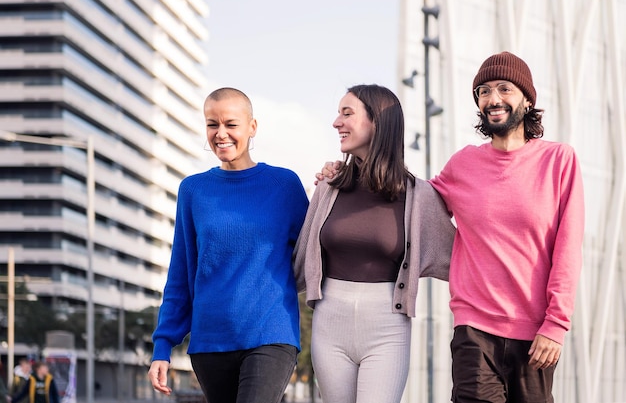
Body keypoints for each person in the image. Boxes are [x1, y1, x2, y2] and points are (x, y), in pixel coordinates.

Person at [317, 52, 585, 403]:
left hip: (535, 332)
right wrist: (347, 171)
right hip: (473, 330)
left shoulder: (559, 160)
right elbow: (408, 195)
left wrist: (556, 323)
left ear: (527, 99)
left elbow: (567, 249)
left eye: (504, 88)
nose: (493, 98)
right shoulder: (464, 164)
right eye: (484, 91)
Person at [294, 84, 455, 403]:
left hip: (387, 327)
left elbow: (463, 259)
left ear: (378, 123)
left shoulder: (418, 196)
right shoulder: (329, 186)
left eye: (347, 113)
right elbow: (298, 258)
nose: (336, 122)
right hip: (329, 322)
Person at [148, 87, 309, 403]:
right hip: (211, 341)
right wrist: (162, 345)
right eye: (212, 124)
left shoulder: (285, 185)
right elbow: (181, 273)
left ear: (252, 127)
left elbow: (317, 248)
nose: (220, 134)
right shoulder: (193, 191)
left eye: (231, 124)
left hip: (271, 334)